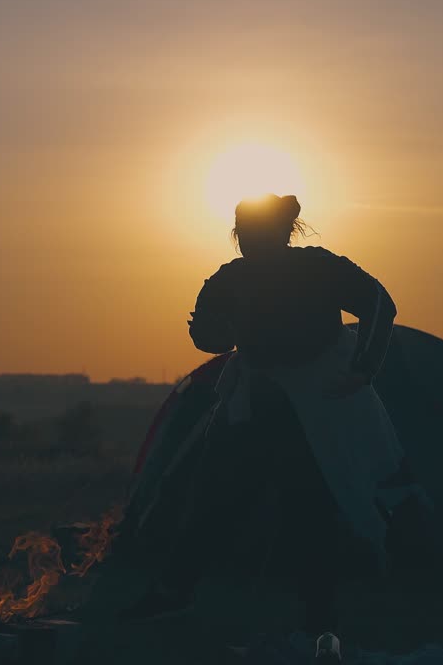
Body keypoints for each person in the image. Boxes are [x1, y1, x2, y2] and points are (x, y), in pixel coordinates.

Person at [122, 194, 405, 641]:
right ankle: (174, 592)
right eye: (246, 235)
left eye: (258, 233)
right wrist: (211, 332)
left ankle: (318, 618)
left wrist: (364, 370)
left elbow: (379, 305)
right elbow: (209, 337)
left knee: (311, 509)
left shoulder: (319, 268)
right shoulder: (228, 280)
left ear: (281, 233)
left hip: (320, 404)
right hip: (255, 403)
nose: (251, 242)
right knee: (213, 499)